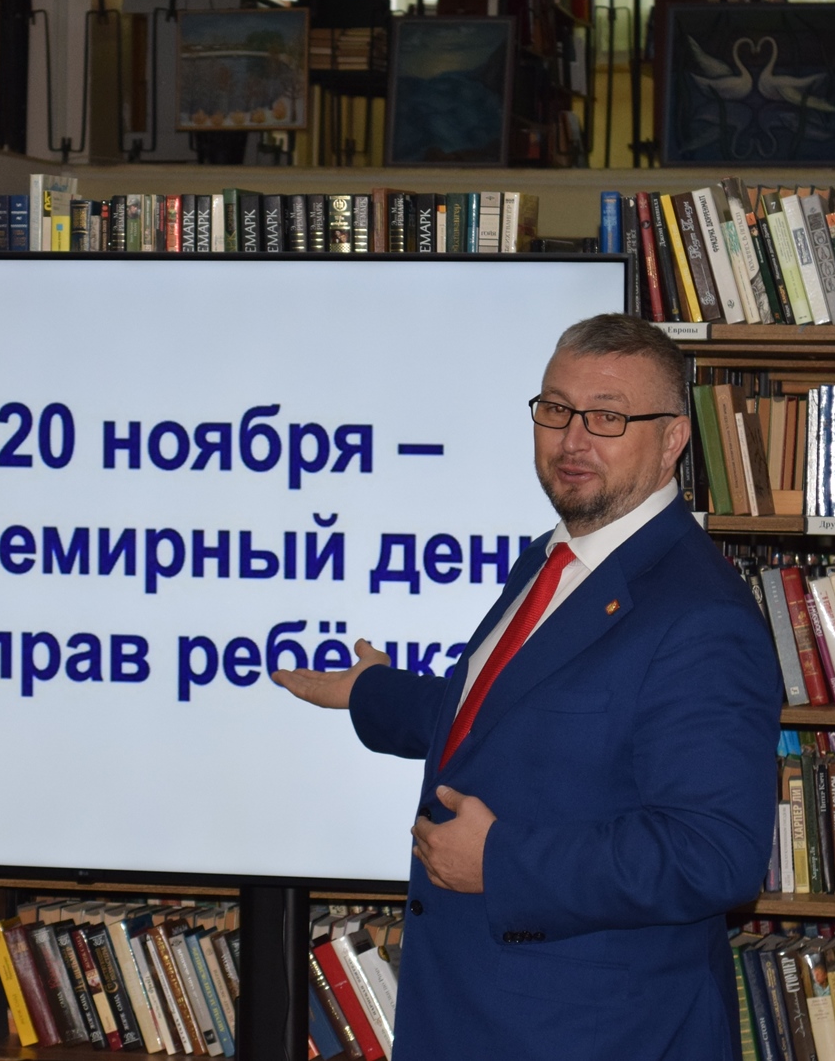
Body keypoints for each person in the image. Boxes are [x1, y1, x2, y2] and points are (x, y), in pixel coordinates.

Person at [274, 314, 782, 1061]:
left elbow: (715, 853)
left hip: (592, 1036)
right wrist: (371, 693)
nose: (572, 439)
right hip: (474, 1015)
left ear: (673, 438)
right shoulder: (556, 559)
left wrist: (501, 861)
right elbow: (519, 719)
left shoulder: (701, 616)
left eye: (607, 417)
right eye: (555, 409)